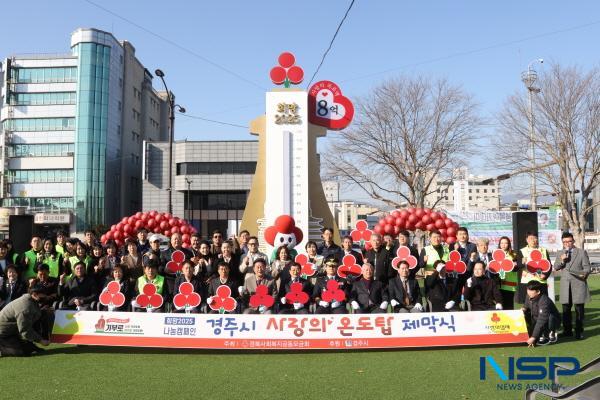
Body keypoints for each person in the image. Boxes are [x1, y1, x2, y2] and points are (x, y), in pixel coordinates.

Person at [553, 232, 591, 340]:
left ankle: (579, 331)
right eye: (565, 242)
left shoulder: (581, 252)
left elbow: (587, 268)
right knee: (566, 310)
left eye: (569, 241)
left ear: (573, 241)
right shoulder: (560, 252)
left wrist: (583, 274)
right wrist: (562, 260)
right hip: (565, 285)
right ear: (562, 243)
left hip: (578, 283)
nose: (567, 244)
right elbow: (556, 267)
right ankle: (567, 331)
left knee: (579, 310)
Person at [0, 284, 51, 357]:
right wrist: (41, 340)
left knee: (28, 348)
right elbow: (24, 329)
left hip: (11, 331)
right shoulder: (24, 308)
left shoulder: (30, 300)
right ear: (35, 294)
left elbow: (34, 315)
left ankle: (28, 344)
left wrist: (43, 312)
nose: (46, 296)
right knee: (22, 352)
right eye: (43, 295)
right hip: (3, 334)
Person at [522, 280, 560, 346]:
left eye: (531, 290)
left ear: (538, 292)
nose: (528, 292)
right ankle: (536, 333)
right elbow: (525, 306)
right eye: (528, 289)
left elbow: (541, 320)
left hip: (550, 320)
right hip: (537, 318)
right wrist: (522, 311)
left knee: (550, 317)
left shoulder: (544, 301)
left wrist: (533, 337)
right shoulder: (529, 296)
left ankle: (551, 333)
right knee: (524, 313)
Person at [517, 231, 551, 303]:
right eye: (531, 238)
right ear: (527, 240)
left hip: (541, 281)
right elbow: (518, 266)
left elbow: (549, 265)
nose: (533, 240)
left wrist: (545, 275)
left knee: (543, 303)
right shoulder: (522, 251)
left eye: (535, 238)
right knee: (528, 304)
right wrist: (522, 263)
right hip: (527, 282)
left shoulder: (544, 250)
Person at [26, 264, 57, 339]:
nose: (42, 276)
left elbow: (55, 295)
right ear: (37, 273)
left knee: (44, 312)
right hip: (35, 305)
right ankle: (33, 335)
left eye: (45, 274)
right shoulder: (33, 281)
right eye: (40, 274)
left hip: (48, 304)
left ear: (49, 272)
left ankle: (45, 335)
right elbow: (29, 294)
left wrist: (42, 297)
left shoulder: (54, 281)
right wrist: (31, 286)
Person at [496, 236, 518, 310]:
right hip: (499, 284)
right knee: (499, 306)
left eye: (506, 243)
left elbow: (517, 268)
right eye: (502, 243)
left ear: (509, 244)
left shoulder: (513, 254)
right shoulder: (496, 254)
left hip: (509, 285)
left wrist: (514, 266)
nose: (503, 245)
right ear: (499, 244)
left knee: (509, 306)